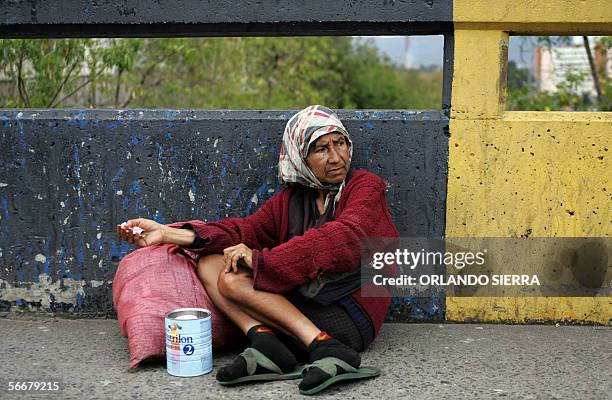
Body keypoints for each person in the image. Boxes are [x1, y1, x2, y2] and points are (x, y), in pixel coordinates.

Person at [116, 105, 399, 395]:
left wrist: (263, 260)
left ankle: (326, 346)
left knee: (233, 278)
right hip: (304, 304)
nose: (336, 157)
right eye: (321, 149)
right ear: (300, 156)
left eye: (340, 144)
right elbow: (245, 231)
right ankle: (267, 341)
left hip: (349, 312)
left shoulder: (365, 187)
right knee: (211, 261)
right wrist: (166, 233)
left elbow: (345, 239)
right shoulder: (293, 200)